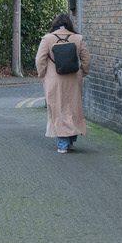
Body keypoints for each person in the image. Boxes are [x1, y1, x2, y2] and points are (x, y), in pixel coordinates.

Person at [35, 12, 89, 153]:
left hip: (54, 80)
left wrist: (42, 75)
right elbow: (86, 59)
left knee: (57, 109)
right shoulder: (78, 38)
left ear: (55, 24)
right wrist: (83, 72)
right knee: (73, 108)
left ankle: (62, 144)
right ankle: (70, 139)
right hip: (73, 79)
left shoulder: (47, 39)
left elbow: (40, 60)